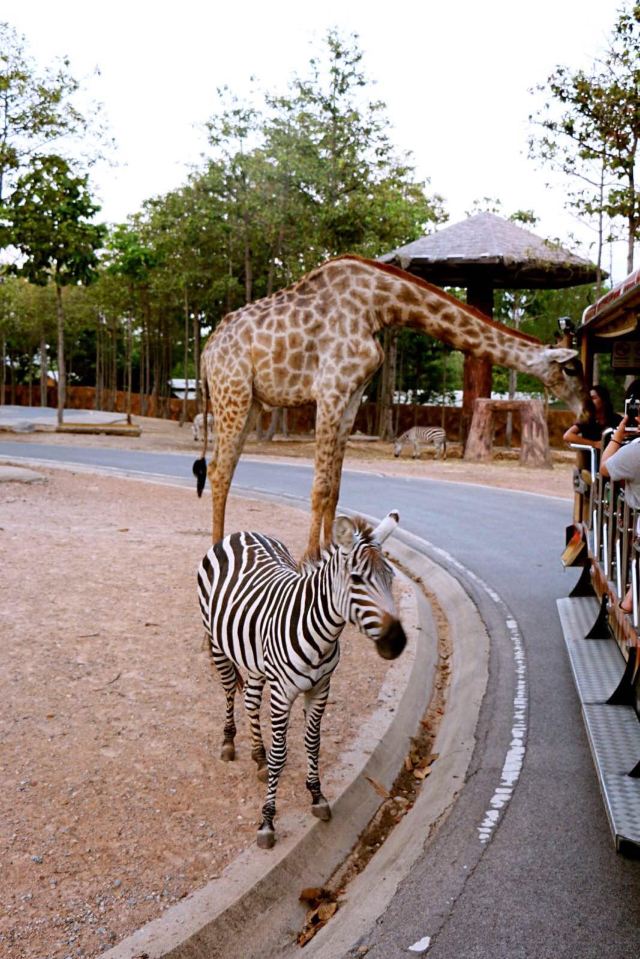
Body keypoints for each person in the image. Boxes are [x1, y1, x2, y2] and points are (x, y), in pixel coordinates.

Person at [599, 412, 640, 613]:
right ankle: (632, 596)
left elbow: (605, 469)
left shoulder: (635, 451)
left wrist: (617, 436)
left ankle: (630, 599)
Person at [563, 384, 620, 450]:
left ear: (604, 400)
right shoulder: (587, 419)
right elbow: (567, 436)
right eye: (590, 398)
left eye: (594, 398)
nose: (591, 401)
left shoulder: (615, 418)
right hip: (591, 458)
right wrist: (594, 443)